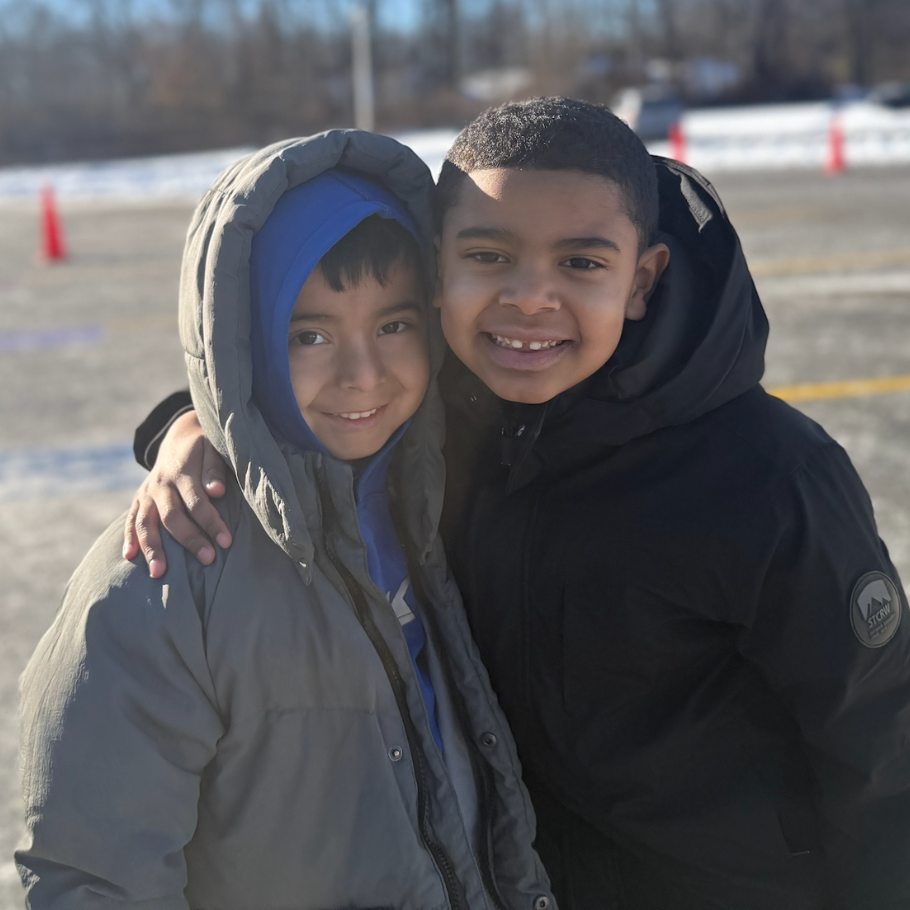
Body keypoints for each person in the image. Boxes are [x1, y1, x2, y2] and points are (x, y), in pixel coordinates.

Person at [124, 98, 910, 910]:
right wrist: (185, 426)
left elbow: (881, 743)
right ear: (437, 267)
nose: (530, 299)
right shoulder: (429, 413)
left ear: (643, 280)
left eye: (582, 264)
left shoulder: (771, 476)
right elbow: (293, 386)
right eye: (490, 255)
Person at [17, 131, 555, 910]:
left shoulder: (439, 505)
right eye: (308, 335)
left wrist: (185, 422)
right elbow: (91, 877)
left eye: (394, 325)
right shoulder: (168, 571)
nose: (361, 374)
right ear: (249, 344)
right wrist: (196, 421)